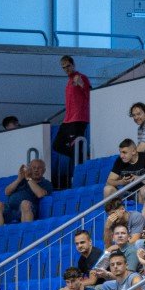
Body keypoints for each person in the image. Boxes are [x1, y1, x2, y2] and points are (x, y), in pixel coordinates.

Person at [52, 56, 90, 190]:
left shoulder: (81, 77)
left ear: (73, 65)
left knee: (75, 146)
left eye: (68, 66)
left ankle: (78, 175)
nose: (66, 69)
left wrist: (82, 85)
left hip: (78, 118)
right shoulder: (68, 81)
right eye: (63, 67)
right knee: (57, 145)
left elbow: (90, 93)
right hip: (68, 119)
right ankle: (83, 156)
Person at [0, 158, 52, 226]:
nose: (36, 170)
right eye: (33, 167)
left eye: (39, 168)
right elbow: (7, 192)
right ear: (29, 169)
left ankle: (26, 232)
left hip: (28, 209)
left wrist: (29, 179)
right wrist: (19, 179)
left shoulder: (46, 183)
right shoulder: (22, 180)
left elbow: (40, 194)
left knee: (24, 203)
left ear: (44, 170)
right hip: (11, 209)